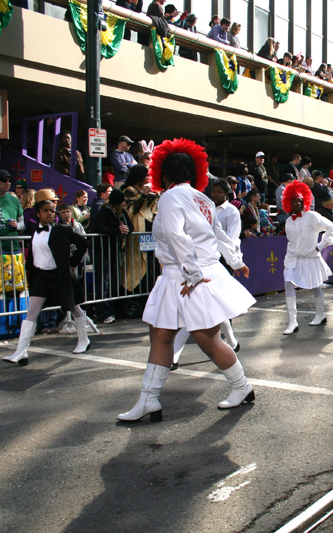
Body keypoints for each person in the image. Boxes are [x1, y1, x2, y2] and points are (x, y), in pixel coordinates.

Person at [118, 139, 255, 423]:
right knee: (162, 335)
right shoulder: (202, 198)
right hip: (190, 273)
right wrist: (235, 261)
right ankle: (149, 400)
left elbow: (178, 237)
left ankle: (242, 387)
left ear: (163, 174)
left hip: (186, 276)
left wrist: (193, 274)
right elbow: (218, 233)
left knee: (207, 340)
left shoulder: (170, 197)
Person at [2, 200, 90, 366]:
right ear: (38, 213)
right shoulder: (35, 231)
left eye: (52, 210)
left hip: (60, 275)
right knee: (32, 312)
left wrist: (71, 262)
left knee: (74, 307)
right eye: (45, 210)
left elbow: (83, 242)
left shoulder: (62, 230)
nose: (50, 213)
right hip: (41, 277)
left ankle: (84, 340)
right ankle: (21, 351)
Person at [172, 178, 243, 370]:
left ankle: (174, 356)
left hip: (214, 264)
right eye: (214, 191)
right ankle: (233, 342)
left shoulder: (230, 211)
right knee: (207, 309)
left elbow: (229, 237)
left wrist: (234, 261)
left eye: (220, 192)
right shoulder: (197, 206)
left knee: (207, 309)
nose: (216, 195)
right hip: (197, 265)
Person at [281, 181, 333, 334]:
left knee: (316, 285)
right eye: (294, 201)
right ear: (289, 203)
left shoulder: (312, 216)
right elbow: (291, 241)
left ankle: (320, 314)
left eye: (299, 200)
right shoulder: (288, 221)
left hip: (310, 257)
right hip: (292, 258)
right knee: (288, 284)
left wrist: (322, 244)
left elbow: (331, 226)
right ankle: (292, 322)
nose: (297, 203)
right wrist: (287, 260)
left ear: (304, 201)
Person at [91, 188, 134, 324]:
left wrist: (126, 230)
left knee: (114, 281)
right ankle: (103, 312)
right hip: (103, 251)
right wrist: (116, 230)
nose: (125, 204)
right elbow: (97, 227)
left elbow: (130, 226)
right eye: (123, 201)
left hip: (115, 251)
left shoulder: (121, 212)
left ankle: (112, 309)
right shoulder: (104, 211)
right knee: (103, 282)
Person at [122, 165, 160, 292]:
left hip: (150, 229)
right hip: (137, 228)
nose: (149, 177)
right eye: (146, 175)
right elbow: (133, 210)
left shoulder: (151, 190)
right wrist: (143, 195)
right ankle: (137, 289)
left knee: (151, 260)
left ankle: (151, 287)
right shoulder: (129, 191)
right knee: (138, 259)